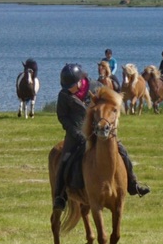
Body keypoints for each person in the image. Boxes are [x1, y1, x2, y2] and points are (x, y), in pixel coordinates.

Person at [52, 62, 151, 212]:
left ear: (80, 80)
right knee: (64, 160)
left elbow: (110, 105)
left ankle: (133, 183)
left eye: (72, 85)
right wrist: (75, 132)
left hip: (99, 129)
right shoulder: (64, 95)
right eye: (67, 87)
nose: (69, 89)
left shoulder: (96, 87)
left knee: (122, 151)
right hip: (76, 133)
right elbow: (63, 117)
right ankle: (60, 196)